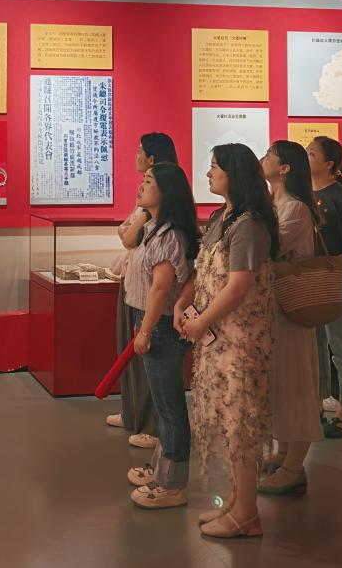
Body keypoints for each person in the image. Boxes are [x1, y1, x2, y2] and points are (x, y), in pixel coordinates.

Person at [177, 144, 278, 539]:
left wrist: (201, 321)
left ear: (234, 174)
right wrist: (185, 305)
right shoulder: (223, 217)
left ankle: (247, 513)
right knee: (227, 417)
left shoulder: (249, 224)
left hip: (241, 340)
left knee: (242, 422)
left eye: (215, 167)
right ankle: (238, 500)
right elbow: (205, 272)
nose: (209, 174)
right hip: (218, 337)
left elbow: (238, 286)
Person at [122, 162, 199, 510]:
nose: (141, 185)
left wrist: (146, 330)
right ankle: (160, 469)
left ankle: (172, 484)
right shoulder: (154, 227)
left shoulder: (169, 235)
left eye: (149, 181)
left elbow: (161, 288)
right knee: (165, 405)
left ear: (166, 191)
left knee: (170, 409)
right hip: (153, 320)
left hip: (163, 325)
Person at [257, 141, 324, 495]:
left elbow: (266, 248)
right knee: (280, 381)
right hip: (274, 308)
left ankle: (295, 465)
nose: (263, 159)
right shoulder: (274, 204)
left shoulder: (295, 208)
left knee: (296, 384)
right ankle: (284, 453)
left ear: (284, 169)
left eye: (269, 156)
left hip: (291, 308)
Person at [105, 133, 177, 448]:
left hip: (150, 292)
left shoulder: (161, 207)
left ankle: (153, 425)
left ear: (152, 159)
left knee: (153, 362)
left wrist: (132, 227)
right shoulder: (147, 202)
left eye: (140, 152)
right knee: (132, 355)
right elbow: (126, 231)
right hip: (134, 286)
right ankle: (133, 413)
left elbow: (128, 237)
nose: (135, 156)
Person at [306, 137, 342, 439]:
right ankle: (317, 404)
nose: (306, 157)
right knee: (314, 347)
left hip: (334, 279)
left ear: (329, 164)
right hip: (306, 279)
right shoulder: (303, 193)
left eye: (312, 154)